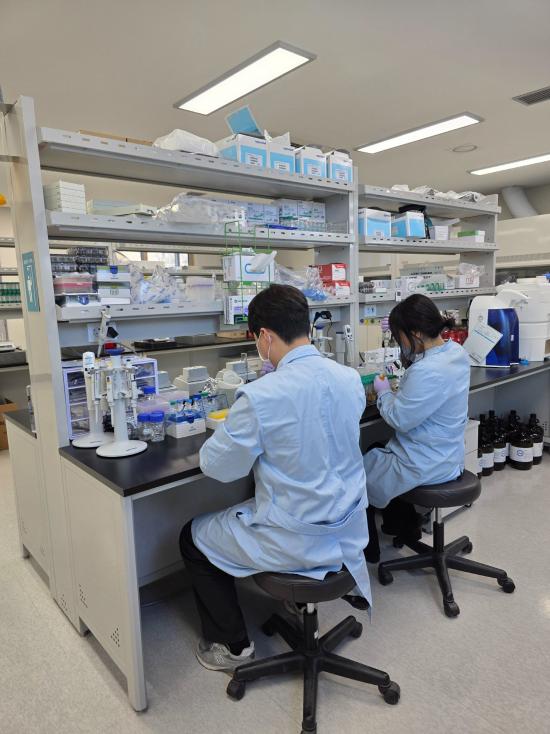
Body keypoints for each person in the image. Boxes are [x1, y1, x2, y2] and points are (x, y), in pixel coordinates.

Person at [179, 284, 371, 672]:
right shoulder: (349, 378)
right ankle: (295, 601)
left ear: (264, 336)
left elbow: (219, 467)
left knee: (193, 536)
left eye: (255, 339)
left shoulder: (262, 394)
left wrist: (230, 428)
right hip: (348, 527)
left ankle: (231, 645)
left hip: (298, 538)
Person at [363, 294, 470, 561]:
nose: (400, 344)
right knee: (377, 448)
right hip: (449, 456)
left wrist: (383, 392)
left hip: (424, 464)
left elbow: (399, 419)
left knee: (355, 474)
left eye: (400, 337)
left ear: (416, 333)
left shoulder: (426, 370)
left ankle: (369, 552)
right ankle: (401, 526)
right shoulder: (455, 353)